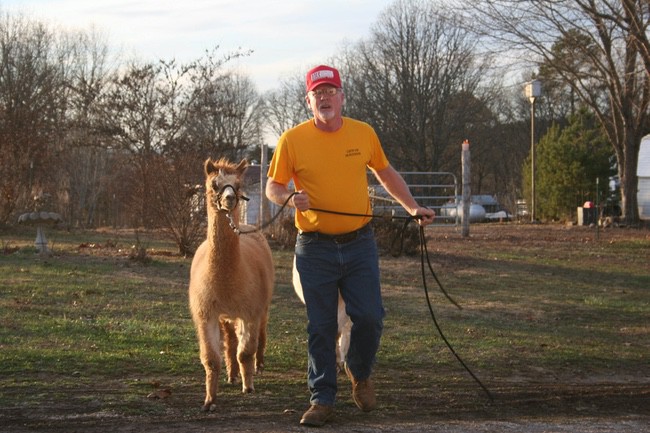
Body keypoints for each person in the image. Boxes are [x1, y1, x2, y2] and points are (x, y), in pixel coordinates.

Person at [265, 64, 435, 427]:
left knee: (370, 317)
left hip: (360, 244)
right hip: (314, 247)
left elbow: (385, 173)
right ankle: (322, 398)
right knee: (321, 326)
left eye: (330, 91)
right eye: (317, 93)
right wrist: (289, 197)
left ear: (342, 96)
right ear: (307, 100)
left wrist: (413, 206)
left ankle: (359, 372)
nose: (324, 98)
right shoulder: (292, 140)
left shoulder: (363, 133)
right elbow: (273, 186)